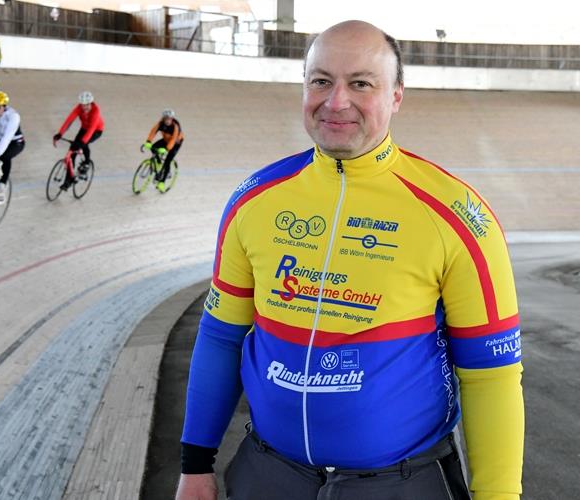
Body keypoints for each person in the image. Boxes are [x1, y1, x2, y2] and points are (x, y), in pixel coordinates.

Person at [176, 20, 523, 500]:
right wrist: (195, 465)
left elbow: (491, 376)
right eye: (321, 81)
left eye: (361, 83)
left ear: (397, 95)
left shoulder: (458, 217)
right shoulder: (253, 201)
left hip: (402, 484)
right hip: (267, 475)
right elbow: (220, 337)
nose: (336, 101)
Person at [53, 91, 104, 190]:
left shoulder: (96, 111)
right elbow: (69, 120)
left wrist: (83, 142)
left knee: (84, 143)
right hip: (84, 128)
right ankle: (68, 180)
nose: (85, 107)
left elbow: (92, 129)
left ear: (91, 103)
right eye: (83, 105)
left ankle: (86, 163)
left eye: (87, 105)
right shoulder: (78, 108)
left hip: (96, 130)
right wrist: (60, 133)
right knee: (72, 151)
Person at [142, 109, 184, 192]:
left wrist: (166, 149)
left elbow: (173, 140)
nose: (167, 120)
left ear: (172, 119)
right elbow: (153, 132)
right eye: (166, 119)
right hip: (166, 140)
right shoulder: (160, 123)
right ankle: (158, 162)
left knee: (168, 161)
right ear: (163, 118)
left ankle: (162, 183)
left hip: (175, 143)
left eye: (169, 119)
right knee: (153, 147)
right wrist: (148, 141)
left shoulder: (175, 127)